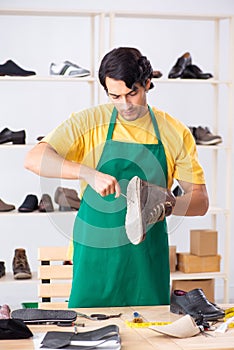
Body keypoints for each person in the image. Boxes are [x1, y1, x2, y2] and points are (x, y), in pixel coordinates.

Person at [25, 47, 209, 307]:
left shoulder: (174, 132)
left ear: (146, 84)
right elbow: (33, 158)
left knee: (151, 338)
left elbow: (200, 201)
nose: (125, 105)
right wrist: (87, 172)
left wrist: (167, 203)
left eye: (132, 93)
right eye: (115, 96)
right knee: (88, 338)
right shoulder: (89, 122)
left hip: (147, 258)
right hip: (95, 254)